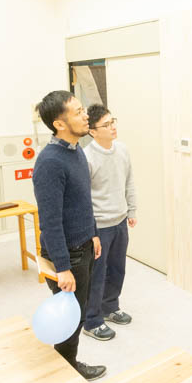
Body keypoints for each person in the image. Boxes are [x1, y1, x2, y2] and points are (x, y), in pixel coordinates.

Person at [33, 90, 106, 381]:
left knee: (78, 312)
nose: (86, 116)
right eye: (78, 112)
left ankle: (67, 366)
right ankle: (66, 372)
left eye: (82, 109)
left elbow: (83, 202)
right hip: (68, 254)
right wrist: (62, 267)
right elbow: (50, 222)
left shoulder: (75, 152)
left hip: (83, 244)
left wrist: (94, 234)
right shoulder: (50, 162)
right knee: (69, 318)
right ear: (59, 123)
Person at [81, 104, 137, 341]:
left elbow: (129, 182)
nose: (113, 127)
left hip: (120, 221)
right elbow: (83, 198)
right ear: (93, 131)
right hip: (99, 226)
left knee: (117, 269)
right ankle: (92, 320)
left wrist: (131, 209)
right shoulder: (86, 157)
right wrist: (90, 230)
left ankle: (110, 307)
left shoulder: (122, 150)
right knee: (97, 274)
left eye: (113, 121)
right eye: (106, 124)